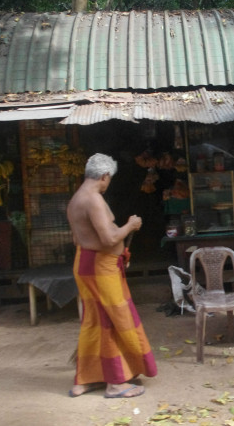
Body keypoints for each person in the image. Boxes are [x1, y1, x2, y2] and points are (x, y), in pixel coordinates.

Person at [66, 153, 157, 398]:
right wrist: (130, 225)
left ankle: (85, 380)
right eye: (109, 179)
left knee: (93, 321)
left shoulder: (76, 199)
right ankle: (116, 383)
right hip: (100, 269)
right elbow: (108, 238)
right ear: (105, 176)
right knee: (112, 320)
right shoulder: (93, 199)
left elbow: (78, 238)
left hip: (86, 264)